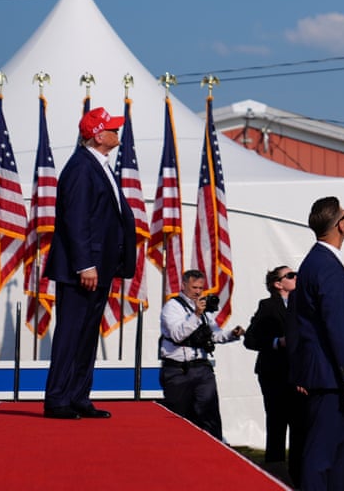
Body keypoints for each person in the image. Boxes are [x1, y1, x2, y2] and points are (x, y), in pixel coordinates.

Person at [43, 106, 138, 420]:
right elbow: (76, 219)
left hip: (101, 267)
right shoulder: (82, 167)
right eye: (112, 129)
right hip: (82, 271)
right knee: (71, 333)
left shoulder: (100, 165)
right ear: (98, 135)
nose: (117, 133)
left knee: (86, 336)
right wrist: (85, 264)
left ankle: (78, 396)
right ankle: (57, 399)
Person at [289, 197, 344, 491]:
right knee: (323, 454)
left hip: (329, 375)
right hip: (332, 378)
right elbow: (336, 325)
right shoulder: (326, 265)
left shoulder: (317, 262)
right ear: (339, 224)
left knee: (340, 452)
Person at [159, 269, 245, 439]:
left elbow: (213, 334)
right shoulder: (172, 307)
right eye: (194, 287)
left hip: (201, 368)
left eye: (200, 288)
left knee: (210, 414)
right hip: (178, 370)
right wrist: (196, 314)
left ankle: (216, 449)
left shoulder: (203, 308)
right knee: (180, 416)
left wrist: (232, 334)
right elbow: (177, 334)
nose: (198, 292)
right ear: (184, 286)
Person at [244, 265, 303, 482]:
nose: (295, 277)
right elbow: (250, 340)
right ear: (278, 284)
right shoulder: (268, 306)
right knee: (277, 422)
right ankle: (275, 474)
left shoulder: (303, 304)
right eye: (290, 275)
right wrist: (277, 342)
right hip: (275, 373)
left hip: (298, 373)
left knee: (300, 424)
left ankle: (298, 475)